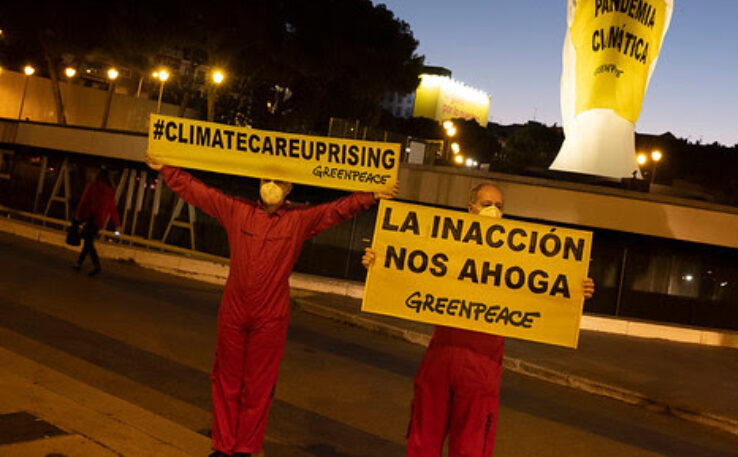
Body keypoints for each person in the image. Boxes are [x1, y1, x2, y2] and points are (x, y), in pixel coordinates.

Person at [145, 153, 395, 457]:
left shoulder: (299, 220)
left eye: (278, 182)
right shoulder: (237, 210)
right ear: (258, 181)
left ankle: (245, 448)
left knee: (259, 386)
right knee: (226, 380)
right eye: (266, 180)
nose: (271, 186)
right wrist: (168, 169)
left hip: (271, 316)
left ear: (289, 188)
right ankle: (223, 446)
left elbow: (336, 211)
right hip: (234, 311)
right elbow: (200, 194)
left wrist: (370, 196)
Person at [362, 183, 594, 457]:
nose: (494, 211)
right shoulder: (444, 247)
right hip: (441, 356)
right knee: (423, 439)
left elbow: (543, 289)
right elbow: (410, 267)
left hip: (483, 365)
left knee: (471, 447)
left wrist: (576, 290)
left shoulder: (519, 258)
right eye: (487, 205)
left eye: (500, 206)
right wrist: (379, 264)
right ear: (470, 209)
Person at [73, 166, 121, 277]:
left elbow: (83, 201)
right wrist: (117, 224)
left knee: (88, 242)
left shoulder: (92, 186)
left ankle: (96, 265)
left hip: (89, 218)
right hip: (99, 221)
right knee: (88, 242)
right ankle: (78, 263)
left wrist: (78, 215)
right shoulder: (109, 192)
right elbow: (113, 209)